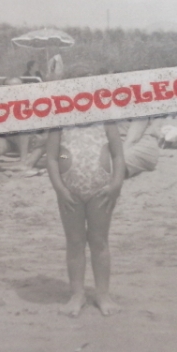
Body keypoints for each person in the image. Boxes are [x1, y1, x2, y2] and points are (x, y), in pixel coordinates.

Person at [46, 110, 127, 317]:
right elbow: (54, 158)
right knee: (74, 241)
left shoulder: (106, 121)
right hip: (69, 192)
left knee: (99, 240)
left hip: (101, 191)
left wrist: (116, 184)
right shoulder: (60, 124)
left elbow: (117, 155)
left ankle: (102, 294)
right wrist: (60, 189)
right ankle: (77, 294)